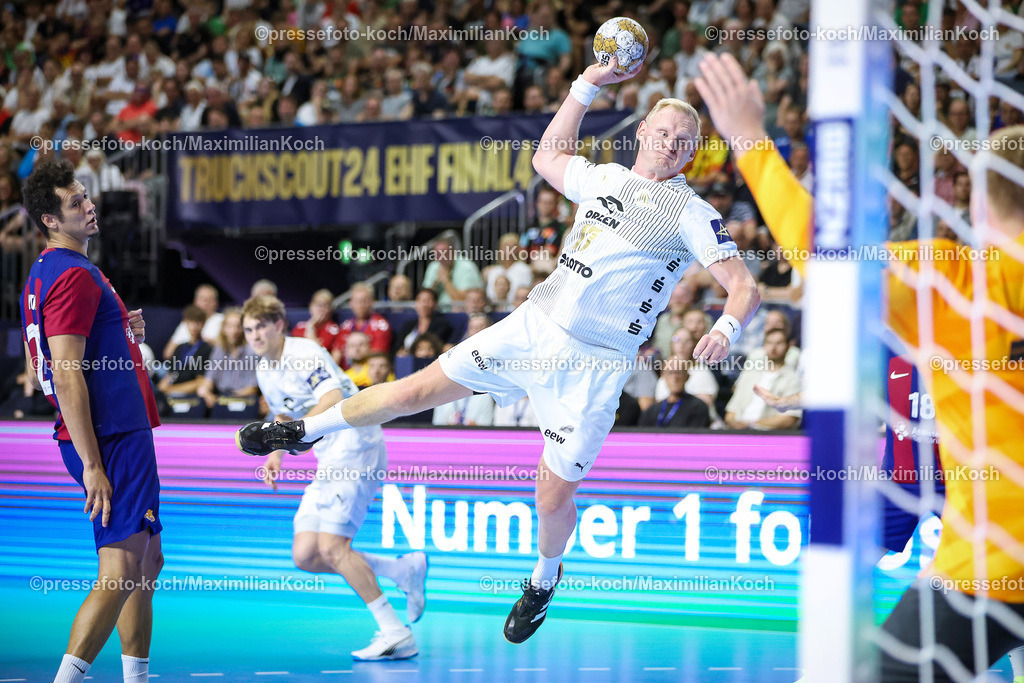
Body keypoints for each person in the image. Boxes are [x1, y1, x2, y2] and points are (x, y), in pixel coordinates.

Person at [237, 56, 760, 645]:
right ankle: (303, 431)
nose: (670, 144)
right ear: (641, 132)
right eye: (662, 132)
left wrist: (726, 329)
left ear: (691, 154)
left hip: (595, 365)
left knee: (552, 494)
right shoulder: (605, 179)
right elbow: (545, 157)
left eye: (682, 141)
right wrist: (588, 84)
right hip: (534, 324)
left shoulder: (692, 212)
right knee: (413, 391)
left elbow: (744, 285)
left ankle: (543, 579)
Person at [695, 51, 1024, 681]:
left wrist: (748, 137)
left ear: (980, 201)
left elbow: (825, 248)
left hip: (989, 562)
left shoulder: (956, 280)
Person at [20, 159, 162, 683]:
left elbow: (48, 361)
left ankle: (136, 677)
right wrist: (92, 464)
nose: (89, 205)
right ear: (50, 220)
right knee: (122, 569)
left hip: (112, 431)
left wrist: (123, 332)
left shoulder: (45, 271)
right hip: (111, 436)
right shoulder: (75, 275)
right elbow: (65, 371)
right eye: (75, 202)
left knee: (146, 563)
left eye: (86, 195)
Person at [241, 295, 427, 661]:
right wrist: (277, 455)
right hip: (329, 456)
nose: (255, 335)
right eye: (248, 329)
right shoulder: (265, 368)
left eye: (261, 326)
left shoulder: (304, 352)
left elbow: (332, 396)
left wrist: (296, 433)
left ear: (279, 325)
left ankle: (396, 633)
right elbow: (283, 415)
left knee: (333, 548)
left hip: (357, 445)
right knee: (306, 553)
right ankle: (403, 569)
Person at [723, 329, 802, 430]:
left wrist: (751, 425)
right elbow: (731, 412)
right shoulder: (749, 373)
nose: (773, 348)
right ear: (764, 345)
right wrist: (736, 425)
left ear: (788, 346)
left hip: (769, 435)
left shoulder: (794, 379)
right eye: (769, 343)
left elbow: (789, 419)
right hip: (738, 431)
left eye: (779, 343)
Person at [196, 308, 259, 410]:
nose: (234, 331)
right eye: (230, 326)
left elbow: (252, 389)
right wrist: (206, 392)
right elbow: (209, 379)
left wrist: (226, 400)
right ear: (224, 328)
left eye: (238, 326)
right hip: (222, 397)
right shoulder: (219, 349)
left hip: (243, 400)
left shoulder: (251, 351)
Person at [637, 357, 710, 428]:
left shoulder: (698, 407)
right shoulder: (652, 411)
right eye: (670, 372)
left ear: (687, 376)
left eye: (679, 372)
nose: (675, 378)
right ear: (662, 375)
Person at [332, 282, 392, 366]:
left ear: (372, 302)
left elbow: (378, 356)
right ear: (351, 303)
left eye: (364, 301)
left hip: (368, 372)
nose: (360, 305)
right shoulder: (345, 326)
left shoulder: (381, 325)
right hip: (345, 374)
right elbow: (336, 354)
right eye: (357, 301)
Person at [157, 305, 212, 396]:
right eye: (191, 322)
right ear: (185, 323)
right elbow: (170, 375)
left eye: (198, 322)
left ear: (203, 323)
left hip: (190, 394)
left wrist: (171, 389)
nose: (194, 326)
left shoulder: (206, 349)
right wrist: (162, 387)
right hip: (173, 389)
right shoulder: (180, 347)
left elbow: (201, 382)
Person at [162, 284, 222, 359]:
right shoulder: (186, 322)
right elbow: (167, 354)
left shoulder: (222, 320)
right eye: (202, 299)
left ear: (216, 303)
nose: (205, 303)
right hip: (184, 365)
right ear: (195, 302)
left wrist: (204, 341)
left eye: (209, 300)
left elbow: (229, 347)